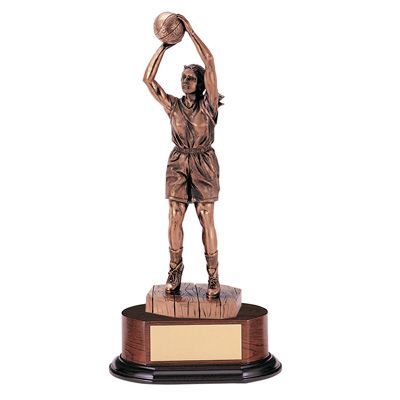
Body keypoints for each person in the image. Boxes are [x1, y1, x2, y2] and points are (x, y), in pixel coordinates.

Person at [143, 15, 223, 298]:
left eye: (191, 78)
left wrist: (189, 30)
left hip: (204, 161)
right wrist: (164, 46)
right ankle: (174, 269)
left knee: (205, 216)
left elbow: (209, 61)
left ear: (201, 83)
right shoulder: (173, 106)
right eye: (183, 77)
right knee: (175, 216)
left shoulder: (209, 105)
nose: (185, 81)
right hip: (178, 162)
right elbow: (148, 80)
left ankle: (213, 274)